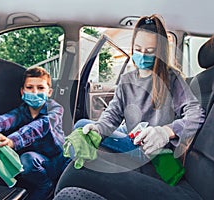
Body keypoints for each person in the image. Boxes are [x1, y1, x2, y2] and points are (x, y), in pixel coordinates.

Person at [56, 14, 205, 199]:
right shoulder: (127, 80)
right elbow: (112, 114)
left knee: (78, 129)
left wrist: (166, 131)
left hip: (153, 151)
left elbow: (196, 114)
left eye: (150, 51)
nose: (142, 55)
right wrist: (98, 128)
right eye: (138, 49)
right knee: (84, 130)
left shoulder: (172, 79)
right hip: (131, 139)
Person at [0, 66, 71, 200]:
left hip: (59, 160)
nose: (35, 92)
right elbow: (7, 119)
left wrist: (11, 141)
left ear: (49, 92)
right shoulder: (22, 111)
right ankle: (45, 185)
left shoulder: (55, 109)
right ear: (22, 91)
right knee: (26, 160)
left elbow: (39, 127)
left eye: (41, 88)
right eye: (30, 87)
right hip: (39, 161)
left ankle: (55, 186)